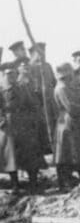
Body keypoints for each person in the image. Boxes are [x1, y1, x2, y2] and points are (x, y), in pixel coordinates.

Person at [2, 61, 48, 192]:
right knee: (11, 157)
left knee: (30, 154)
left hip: (25, 125)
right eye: (8, 74)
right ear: (3, 76)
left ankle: (33, 182)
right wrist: (2, 122)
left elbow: (32, 104)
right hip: (9, 126)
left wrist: (32, 120)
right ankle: (15, 184)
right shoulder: (1, 90)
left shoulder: (23, 88)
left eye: (13, 74)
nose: (11, 76)